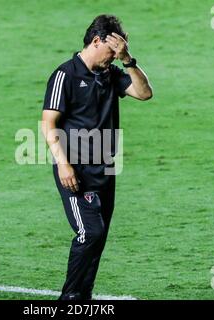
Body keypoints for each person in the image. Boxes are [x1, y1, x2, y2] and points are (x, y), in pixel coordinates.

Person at [41, 14, 153, 300]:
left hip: (106, 169)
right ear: (96, 41)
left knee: (98, 238)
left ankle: (82, 298)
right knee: (89, 233)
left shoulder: (111, 74)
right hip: (75, 171)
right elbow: (48, 123)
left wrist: (128, 60)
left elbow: (144, 93)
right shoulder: (65, 75)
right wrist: (64, 165)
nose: (113, 58)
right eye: (112, 51)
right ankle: (69, 300)